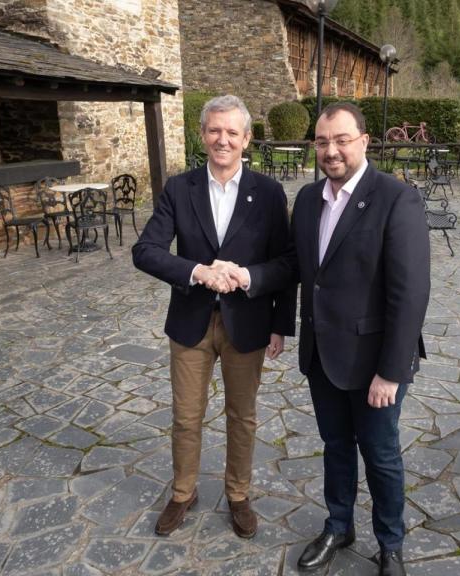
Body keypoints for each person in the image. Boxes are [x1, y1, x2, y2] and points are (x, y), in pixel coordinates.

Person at [225, 102, 430, 575]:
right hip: (322, 355)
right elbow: (296, 268)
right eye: (322, 141)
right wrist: (250, 278)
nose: (331, 150)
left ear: (363, 141)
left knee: (380, 455)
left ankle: (391, 544)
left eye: (341, 139)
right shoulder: (310, 198)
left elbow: (410, 293)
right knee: (336, 447)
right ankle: (339, 525)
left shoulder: (396, 199)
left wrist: (391, 371)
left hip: (374, 361)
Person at [131, 94, 295, 539]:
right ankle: (183, 492)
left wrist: (270, 309)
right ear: (203, 135)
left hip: (249, 323)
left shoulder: (269, 193)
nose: (222, 140)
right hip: (191, 322)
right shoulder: (178, 188)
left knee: (242, 417)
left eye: (232, 132)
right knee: (186, 416)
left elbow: (287, 263)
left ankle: (238, 494)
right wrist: (196, 271)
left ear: (247, 139)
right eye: (214, 130)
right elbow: (144, 251)